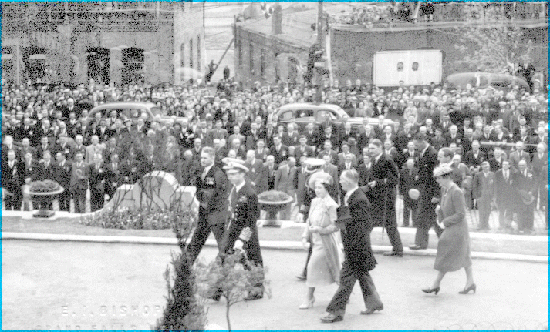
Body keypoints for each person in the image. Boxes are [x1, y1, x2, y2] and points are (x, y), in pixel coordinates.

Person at [321, 169, 383, 324]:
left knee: (346, 281)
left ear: (349, 181)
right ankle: (374, 303)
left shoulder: (359, 199)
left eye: (342, 179)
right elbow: (350, 220)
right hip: (354, 246)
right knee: (362, 275)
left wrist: (352, 244)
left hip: (357, 248)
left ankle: (335, 311)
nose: (340, 181)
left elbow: (366, 225)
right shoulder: (351, 196)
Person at [422, 164, 476, 295]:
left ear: (446, 177)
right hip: (453, 226)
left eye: (438, 178)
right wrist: (439, 211)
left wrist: (445, 222)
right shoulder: (444, 190)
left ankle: (436, 284)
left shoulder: (456, 191)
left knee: (446, 251)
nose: (437, 181)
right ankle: (470, 283)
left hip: (458, 228)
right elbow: (445, 206)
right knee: (464, 255)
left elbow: (461, 214)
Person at [219, 160, 264, 300]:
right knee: (224, 257)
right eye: (229, 174)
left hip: (246, 232)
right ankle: (216, 290)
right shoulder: (233, 189)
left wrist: (242, 239)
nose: (230, 177)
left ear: (242, 174)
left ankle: (256, 290)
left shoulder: (249, 193)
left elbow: (252, 219)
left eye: (233, 174)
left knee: (252, 260)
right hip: (233, 229)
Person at [299, 172, 341, 309]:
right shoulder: (314, 202)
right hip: (315, 241)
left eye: (320, 188)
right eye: (315, 188)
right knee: (330, 269)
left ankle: (309, 297)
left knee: (317, 267)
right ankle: (341, 292)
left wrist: (320, 230)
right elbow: (308, 222)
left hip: (326, 242)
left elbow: (335, 226)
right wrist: (305, 237)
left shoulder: (332, 205)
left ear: (327, 189)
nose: (317, 190)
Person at [187, 146, 229, 264]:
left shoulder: (216, 174)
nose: (203, 160)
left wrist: (199, 191)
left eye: (205, 158)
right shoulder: (203, 173)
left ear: (212, 158)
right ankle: (185, 266)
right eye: (201, 158)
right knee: (196, 242)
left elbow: (208, 196)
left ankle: (228, 269)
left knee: (223, 245)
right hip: (206, 214)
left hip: (215, 214)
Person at [363, 139, 403, 256]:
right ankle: (364, 247)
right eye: (369, 148)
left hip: (385, 199)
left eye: (373, 148)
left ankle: (398, 249)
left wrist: (378, 183)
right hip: (375, 197)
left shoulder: (387, 160)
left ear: (380, 147)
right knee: (368, 222)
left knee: (390, 225)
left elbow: (394, 179)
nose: (370, 151)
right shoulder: (375, 159)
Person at [410, 133, 442, 250]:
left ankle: (447, 242)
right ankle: (421, 243)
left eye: (416, 144)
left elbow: (437, 176)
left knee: (432, 219)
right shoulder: (422, 153)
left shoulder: (433, 154)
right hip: (424, 191)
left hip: (431, 193)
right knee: (424, 217)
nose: (415, 147)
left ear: (423, 141)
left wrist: (437, 194)